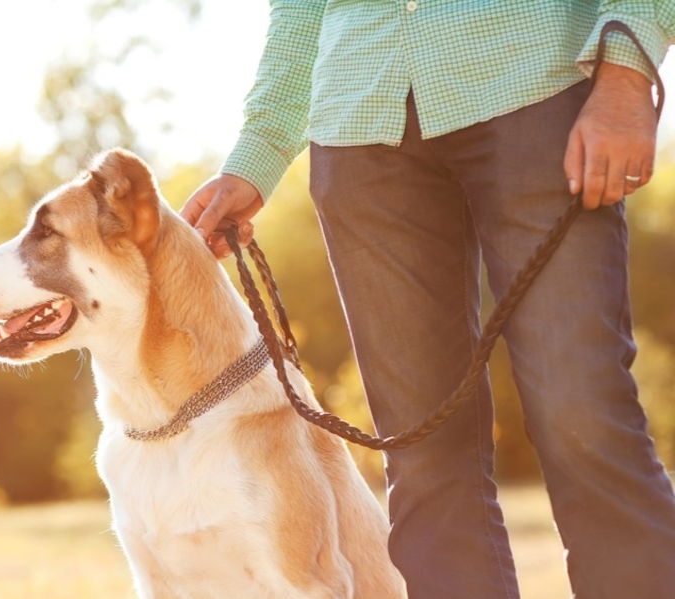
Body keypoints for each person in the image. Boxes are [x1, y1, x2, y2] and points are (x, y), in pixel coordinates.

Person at [180, 3, 675, 597]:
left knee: (584, 418)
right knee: (422, 461)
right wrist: (257, 151)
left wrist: (626, 69)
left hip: (534, 83)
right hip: (360, 124)